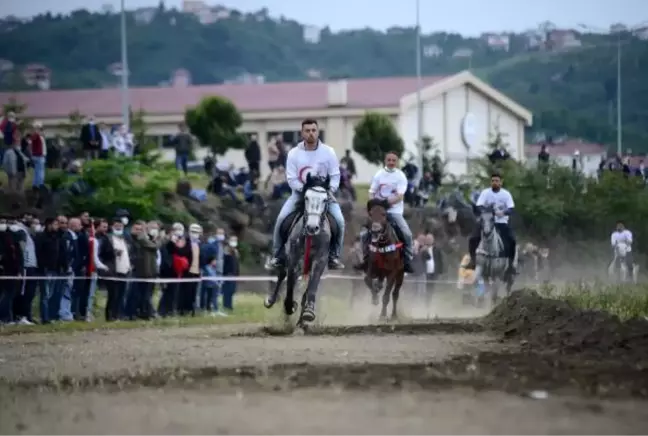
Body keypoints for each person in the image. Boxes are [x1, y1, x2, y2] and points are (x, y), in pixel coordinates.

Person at [266, 119, 345, 270]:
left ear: (317, 132)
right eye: (307, 130)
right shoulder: (294, 153)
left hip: (324, 194)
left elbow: (335, 175)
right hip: (300, 193)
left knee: (340, 221)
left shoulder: (328, 152)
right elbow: (291, 178)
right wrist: (305, 190)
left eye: (313, 130)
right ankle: (278, 256)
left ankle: (334, 256)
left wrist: (330, 191)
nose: (310, 133)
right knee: (281, 218)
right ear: (302, 133)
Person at [362, 151, 415, 273]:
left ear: (397, 162)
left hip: (394, 211)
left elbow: (400, 196)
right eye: (389, 160)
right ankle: (365, 258)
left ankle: (407, 260)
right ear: (385, 161)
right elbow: (371, 192)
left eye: (394, 160)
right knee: (363, 234)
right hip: (378, 212)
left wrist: (387, 203)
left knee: (407, 234)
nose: (391, 162)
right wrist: (374, 204)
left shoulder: (401, 176)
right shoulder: (379, 174)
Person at [467, 171, 516, 273]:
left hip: (501, 222)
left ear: (501, 182)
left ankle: (511, 265)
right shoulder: (485, 192)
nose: (494, 182)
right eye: (493, 181)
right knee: (472, 239)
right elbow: (479, 205)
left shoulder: (506, 194)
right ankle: (473, 260)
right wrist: (486, 212)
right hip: (486, 221)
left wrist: (503, 212)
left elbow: (511, 208)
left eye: (497, 181)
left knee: (512, 240)